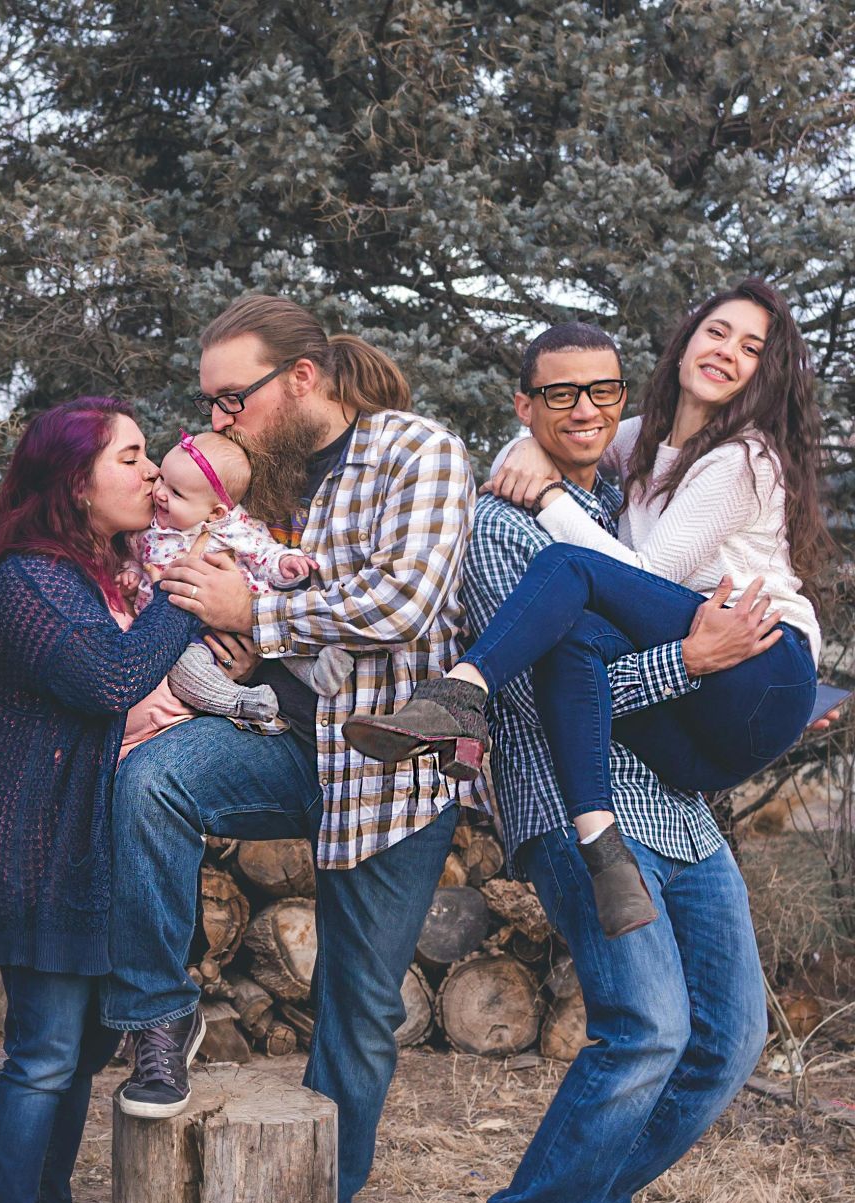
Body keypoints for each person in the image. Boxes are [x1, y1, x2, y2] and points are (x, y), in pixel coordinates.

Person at [111, 294, 476, 1203]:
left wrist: (258, 611)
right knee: (152, 781)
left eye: (232, 398)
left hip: (390, 768)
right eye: (211, 402)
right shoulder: (254, 477)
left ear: (302, 379)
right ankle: (159, 1013)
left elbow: (407, 601)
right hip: (283, 735)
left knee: (357, 1008)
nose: (218, 418)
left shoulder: (416, 450)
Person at [344, 279, 827, 941]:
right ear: (685, 341)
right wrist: (523, 451)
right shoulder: (645, 440)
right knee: (567, 636)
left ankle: (460, 693)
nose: (728, 352)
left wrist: (548, 502)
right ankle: (601, 842)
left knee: (567, 568)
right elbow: (567, 436)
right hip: (698, 741)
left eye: (752, 348)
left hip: (762, 663)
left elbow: (646, 573)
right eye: (717, 332)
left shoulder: (742, 459)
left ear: (762, 375)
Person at [449, 322, 773, 1203]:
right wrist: (688, 661)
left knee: (730, 1039)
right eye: (559, 395)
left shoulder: (628, 512)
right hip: (572, 806)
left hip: (679, 812)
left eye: (604, 392)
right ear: (523, 405)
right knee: (647, 1028)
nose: (585, 410)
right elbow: (534, 698)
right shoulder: (504, 528)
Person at [0, 398, 204, 1203]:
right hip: (34, 845)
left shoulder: (100, 574)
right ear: (73, 478)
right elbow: (110, 676)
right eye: (131, 458)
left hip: (87, 845)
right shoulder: (27, 578)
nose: (151, 473)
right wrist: (190, 591)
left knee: (81, 1053)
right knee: (48, 1051)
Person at [131, 429, 353, 720]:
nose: (159, 492)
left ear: (215, 512)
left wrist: (285, 563)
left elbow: (262, 552)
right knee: (183, 670)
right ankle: (241, 701)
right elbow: (136, 561)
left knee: (279, 629)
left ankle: (316, 672)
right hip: (189, 634)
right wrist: (129, 573)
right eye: (163, 479)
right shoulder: (147, 527)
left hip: (246, 609)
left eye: (176, 493)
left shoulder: (230, 527)